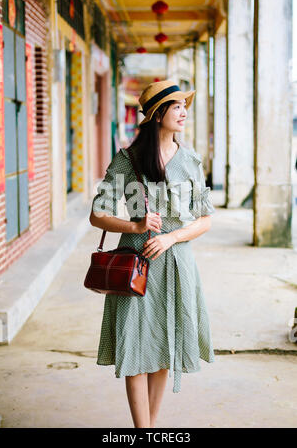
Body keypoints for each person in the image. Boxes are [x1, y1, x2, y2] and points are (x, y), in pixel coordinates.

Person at [89, 79, 216, 428]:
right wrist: (136, 226)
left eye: (184, 106)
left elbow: (205, 219)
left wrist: (171, 238)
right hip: (135, 266)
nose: (184, 112)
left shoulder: (190, 160)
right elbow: (97, 214)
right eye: (176, 106)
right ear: (158, 114)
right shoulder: (128, 160)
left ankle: (151, 430)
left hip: (176, 265)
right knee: (134, 350)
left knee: (164, 347)